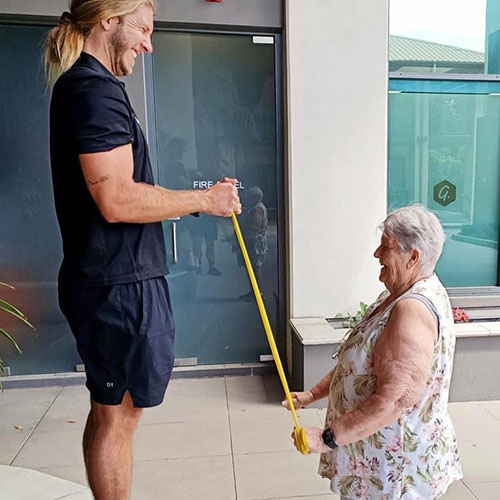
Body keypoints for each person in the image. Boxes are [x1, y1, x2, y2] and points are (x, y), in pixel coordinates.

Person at [44, 2, 241, 499]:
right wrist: (205, 201)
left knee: (110, 411)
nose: (148, 45)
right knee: (119, 416)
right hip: (117, 285)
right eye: (144, 29)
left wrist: (201, 198)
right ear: (109, 19)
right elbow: (117, 199)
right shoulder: (93, 92)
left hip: (113, 280)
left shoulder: (91, 87)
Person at [283, 206, 462, 500]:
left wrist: (328, 438)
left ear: (413, 257)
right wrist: (312, 395)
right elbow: (359, 367)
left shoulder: (411, 310)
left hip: (395, 471)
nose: (377, 254)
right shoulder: (397, 294)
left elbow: (394, 401)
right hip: (377, 458)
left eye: (386, 247)